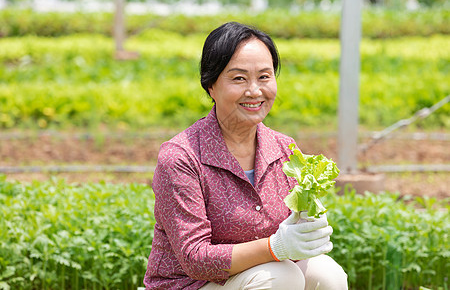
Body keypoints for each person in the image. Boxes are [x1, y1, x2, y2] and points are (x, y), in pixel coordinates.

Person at [143, 22, 348, 289]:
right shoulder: (182, 157)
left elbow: (290, 233)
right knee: (281, 277)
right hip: (193, 283)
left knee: (328, 276)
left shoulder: (285, 149)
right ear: (211, 86)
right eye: (239, 78)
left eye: (264, 77)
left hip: (259, 274)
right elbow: (195, 259)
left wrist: (308, 228)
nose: (254, 91)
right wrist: (275, 247)